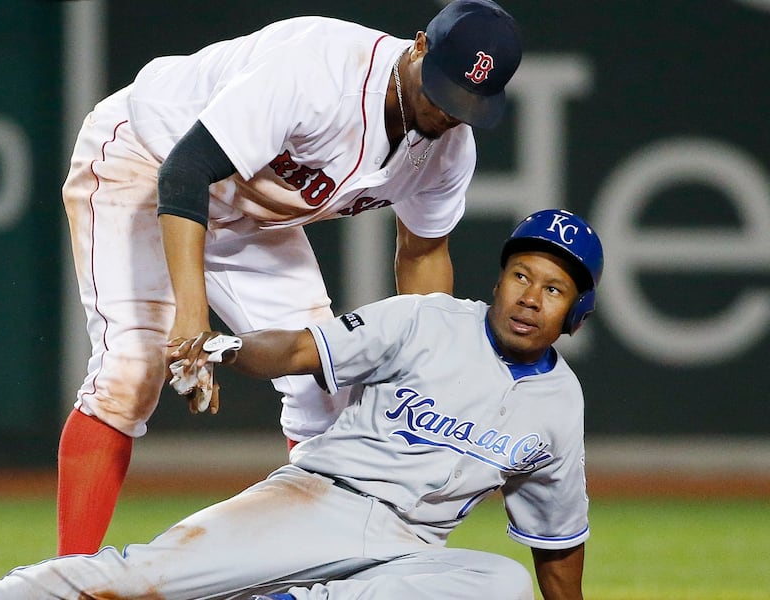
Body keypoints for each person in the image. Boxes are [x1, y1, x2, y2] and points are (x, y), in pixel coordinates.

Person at [0, 208, 602, 600]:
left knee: (499, 584)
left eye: (554, 289)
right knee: (141, 579)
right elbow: (300, 348)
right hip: (320, 501)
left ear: (574, 316)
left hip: (410, 552)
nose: (529, 297)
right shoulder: (428, 319)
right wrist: (226, 346)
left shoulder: (558, 406)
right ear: (500, 278)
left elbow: (559, 546)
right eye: (521, 274)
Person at [57, 0, 524, 556]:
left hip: (250, 212)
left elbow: (423, 252)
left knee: (325, 387)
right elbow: (186, 171)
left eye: (467, 103)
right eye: (442, 89)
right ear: (419, 45)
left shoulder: (449, 150)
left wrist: (429, 370)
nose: (448, 111)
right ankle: (66, 577)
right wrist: (190, 317)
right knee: (131, 372)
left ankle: (310, 575)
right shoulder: (319, 72)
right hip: (145, 158)